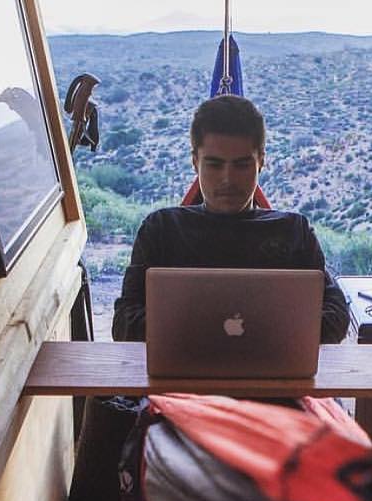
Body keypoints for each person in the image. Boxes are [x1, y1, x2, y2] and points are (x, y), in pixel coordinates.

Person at [112, 95, 350, 344]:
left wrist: (193, 330)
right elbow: (124, 323)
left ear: (261, 162)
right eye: (215, 165)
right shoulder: (161, 230)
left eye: (242, 165)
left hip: (273, 378)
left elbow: (336, 317)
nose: (228, 178)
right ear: (195, 163)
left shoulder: (292, 232)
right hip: (179, 380)